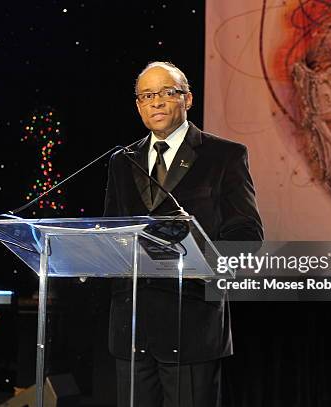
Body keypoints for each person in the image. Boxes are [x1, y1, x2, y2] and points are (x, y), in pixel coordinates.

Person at [103, 61, 264, 407]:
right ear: (138, 105)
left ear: (187, 99)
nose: (156, 102)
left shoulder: (224, 156)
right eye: (147, 95)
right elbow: (111, 230)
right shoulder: (122, 160)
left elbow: (246, 234)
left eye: (166, 92)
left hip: (190, 322)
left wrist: (203, 262)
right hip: (131, 326)